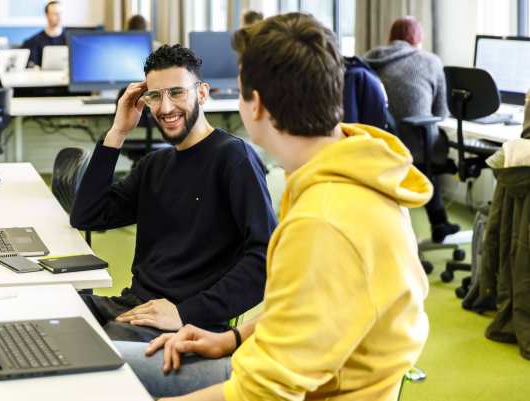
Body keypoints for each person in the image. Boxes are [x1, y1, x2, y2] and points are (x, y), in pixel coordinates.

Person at [116, 12, 431, 400]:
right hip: (268, 363)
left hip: (306, 390)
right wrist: (233, 337)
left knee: (93, 381)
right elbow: (307, 308)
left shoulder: (325, 220)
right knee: (102, 363)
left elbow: (262, 394)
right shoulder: (350, 172)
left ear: (257, 106)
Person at [70, 44, 277, 342]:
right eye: (155, 95)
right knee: (54, 309)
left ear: (202, 93)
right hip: (134, 307)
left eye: (177, 92)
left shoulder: (233, 158)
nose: (165, 108)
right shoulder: (155, 164)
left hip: (186, 324)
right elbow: (88, 215)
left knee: (92, 345)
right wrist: (117, 132)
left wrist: (185, 313)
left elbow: (265, 260)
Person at [364, 16, 458, 243]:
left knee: (422, 146)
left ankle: (437, 224)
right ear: (418, 39)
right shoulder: (430, 61)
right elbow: (442, 112)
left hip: (378, 143)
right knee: (428, 146)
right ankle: (439, 223)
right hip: (416, 146)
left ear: (391, 37)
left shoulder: (368, 60)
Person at [22, 0, 65, 67]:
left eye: (61, 13)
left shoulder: (70, 40)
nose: (59, 17)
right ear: (47, 15)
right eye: (55, 14)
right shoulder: (34, 41)